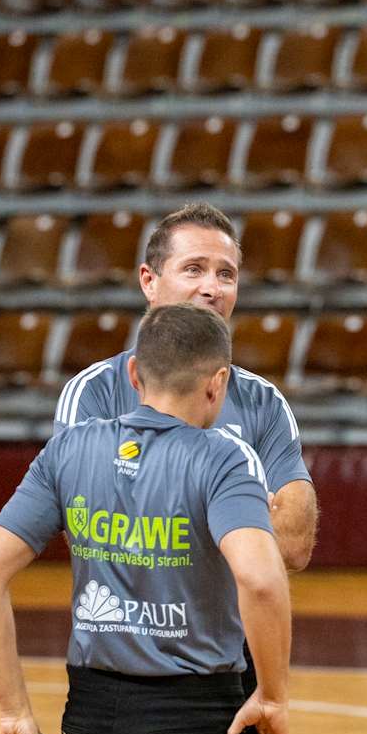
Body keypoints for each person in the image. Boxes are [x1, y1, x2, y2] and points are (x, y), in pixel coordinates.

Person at [0, 303, 291, 734]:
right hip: (197, 723)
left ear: (134, 374)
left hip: (90, 721)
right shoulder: (224, 459)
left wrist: (13, 712)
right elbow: (261, 582)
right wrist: (273, 696)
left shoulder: (68, 448)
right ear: (217, 383)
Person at [54, 203, 318, 575]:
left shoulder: (264, 401)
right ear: (149, 281)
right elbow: (86, 530)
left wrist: (143, 506)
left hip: (227, 617)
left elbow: (294, 544)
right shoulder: (93, 390)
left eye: (226, 274)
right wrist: (239, 512)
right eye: (193, 269)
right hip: (123, 614)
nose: (212, 289)